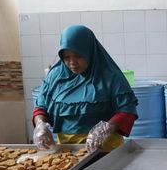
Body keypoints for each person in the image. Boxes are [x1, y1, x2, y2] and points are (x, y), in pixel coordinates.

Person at [32, 25, 138, 153]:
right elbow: (41, 107)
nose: (72, 62)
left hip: (105, 149)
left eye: (78, 56)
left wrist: (105, 129)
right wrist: (41, 125)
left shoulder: (110, 77)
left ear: (89, 52)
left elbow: (127, 111)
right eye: (66, 57)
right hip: (68, 151)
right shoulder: (55, 76)